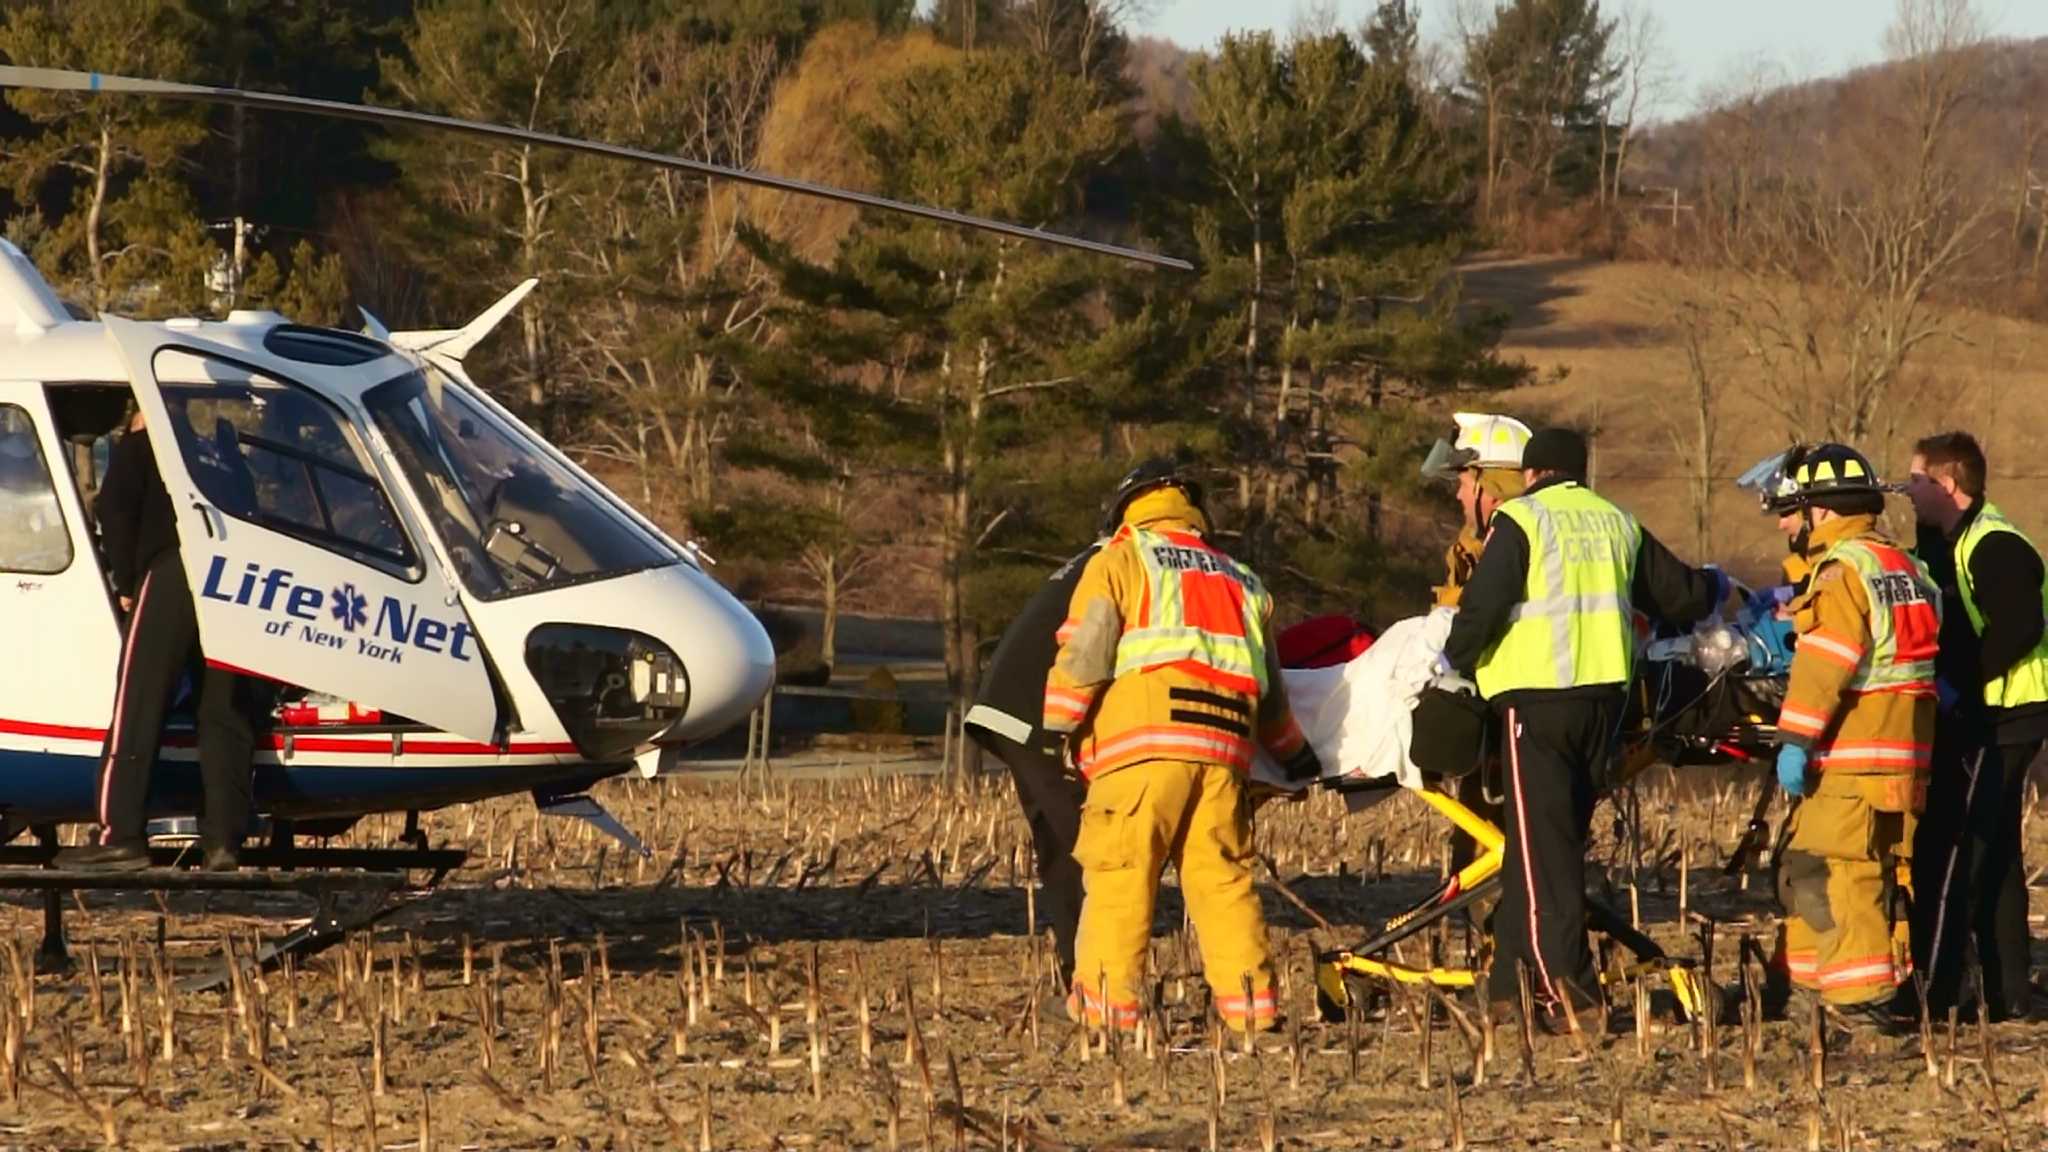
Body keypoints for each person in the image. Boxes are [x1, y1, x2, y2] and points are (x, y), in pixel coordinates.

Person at [1440, 427, 1726, 1027]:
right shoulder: (1616, 521)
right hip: (1604, 709)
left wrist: (1454, 663)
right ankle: (1507, 991)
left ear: (1531, 473)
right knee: (1546, 845)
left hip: (1535, 706)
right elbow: (1680, 598)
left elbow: (1482, 609)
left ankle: (1569, 990)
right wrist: (1716, 585)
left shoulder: (1522, 521)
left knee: (1547, 855)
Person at [1043, 460, 1318, 1033]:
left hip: (1141, 751)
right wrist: (1294, 755)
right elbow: (1270, 692)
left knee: (1121, 876)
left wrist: (1054, 727)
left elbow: (1086, 655)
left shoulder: (1120, 560)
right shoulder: (1242, 581)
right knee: (1223, 881)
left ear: (1126, 511)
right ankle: (1251, 1013)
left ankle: (1104, 1012)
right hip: (1223, 757)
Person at [1767, 443, 1939, 1026]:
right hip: (1905, 752)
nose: (1792, 522)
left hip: (1855, 753)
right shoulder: (1901, 565)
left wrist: (1794, 738)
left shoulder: (1842, 573)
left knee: (1847, 871)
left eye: (1798, 509)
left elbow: (1827, 664)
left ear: (1821, 510)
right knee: (1844, 865)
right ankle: (1813, 984)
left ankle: (1859, 998)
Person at [58, 405, 262, 873]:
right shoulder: (220, 454)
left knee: (138, 703)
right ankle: (224, 839)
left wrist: (128, 583)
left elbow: (115, 506)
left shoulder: (144, 446)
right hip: (228, 577)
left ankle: (121, 835)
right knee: (223, 708)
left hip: (171, 572)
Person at [1904, 431, 2046, 1021]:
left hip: (2004, 715)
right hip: (1989, 712)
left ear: (1949, 485)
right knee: (1998, 853)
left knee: (1956, 844)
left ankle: (1934, 993)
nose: (1906, 491)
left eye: (1916, 481)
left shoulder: (1997, 546)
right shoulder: (1948, 540)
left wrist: (1963, 688)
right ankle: (2008, 991)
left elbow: (2018, 629)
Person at [964, 539, 1102, 988]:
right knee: (1091, 846)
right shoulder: (1125, 559)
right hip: (1035, 713)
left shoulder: (1094, 556)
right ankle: (1096, 974)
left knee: (1061, 844)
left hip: (1007, 706)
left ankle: (1078, 968)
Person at [1422, 413, 1532, 608]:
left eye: (1463, 485)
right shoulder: (1473, 545)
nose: (1458, 496)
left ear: (1493, 491)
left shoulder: (1518, 549)